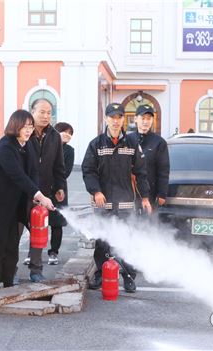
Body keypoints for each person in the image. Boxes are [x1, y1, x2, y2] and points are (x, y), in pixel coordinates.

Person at [0, 110, 54, 290]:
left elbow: (33, 173)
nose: (28, 130)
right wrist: (39, 195)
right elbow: (18, 176)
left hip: (12, 208)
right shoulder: (4, 147)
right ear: (14, 126)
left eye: (30, 127)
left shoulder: (27, 145)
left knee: (11, 249)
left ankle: (8, 283)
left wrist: (37, 196)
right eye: (24, 127)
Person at [82, 102, 152, 293]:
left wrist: (145, 198)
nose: (115, 121)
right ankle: (100, 274)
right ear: (106, 119)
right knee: (103, 241)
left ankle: (128, 276)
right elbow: (88, 171)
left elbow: (141, 172)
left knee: (126, 241)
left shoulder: (131, 144)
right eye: (112, 117)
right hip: (103, 203)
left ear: (123, 119)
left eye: (119, 117)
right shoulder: (95, 144)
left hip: (126, 204)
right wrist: (96, 191)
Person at [21, 99, 66, 283]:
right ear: (32, 112)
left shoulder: (54, 136)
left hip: (44, 193)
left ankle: (36, 270)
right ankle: (8, 271)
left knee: (39, 230)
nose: (46, 116)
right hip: (22, 191)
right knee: (13, 233)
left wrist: (60, 186)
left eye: (49, 112)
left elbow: (59, 166)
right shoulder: (24, 132)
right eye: (42, 112)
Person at [127, 104, 170, 210]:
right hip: (129, 192)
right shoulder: (127, 140)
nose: (146, 122)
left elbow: (163, 170)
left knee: (148, 224)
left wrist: (161, 193)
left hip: (151, 192)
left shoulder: (159, 142)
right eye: (143, 118)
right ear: (136, 119)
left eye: (149, 118)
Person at [46, 122, 75, 265]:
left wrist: (57, 185)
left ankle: (53, 252)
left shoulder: (69, 150)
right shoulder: (47, 145)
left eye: (70, 133)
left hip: (59, 189)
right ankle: (33, 253)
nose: (67, 135)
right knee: (37, 222)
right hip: (43, 189)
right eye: (64, 132)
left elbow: (65, 171)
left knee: (56, 224)